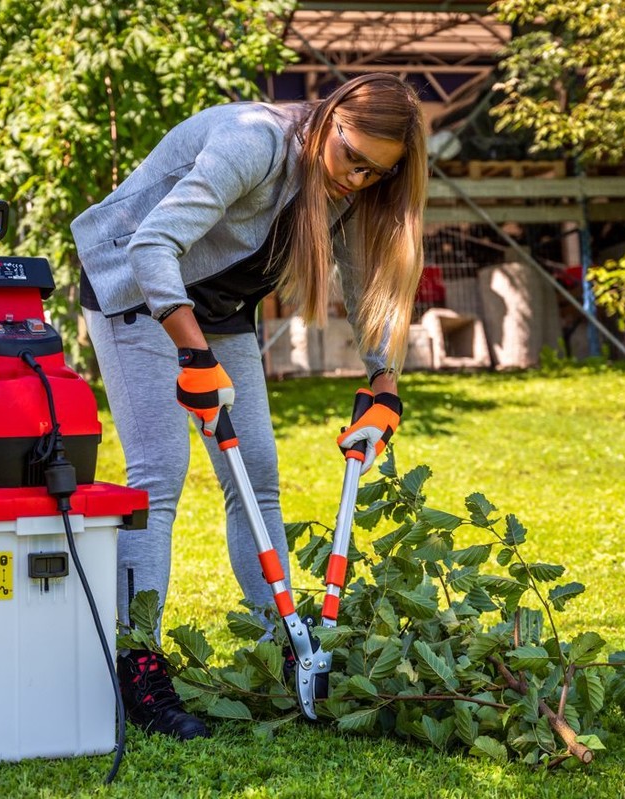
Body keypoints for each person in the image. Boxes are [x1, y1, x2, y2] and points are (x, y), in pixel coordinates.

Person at [70, 73, 427, 740]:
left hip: (219, 305)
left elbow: (360, 276)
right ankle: (134, 662)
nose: (358, 179)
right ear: (331, 119)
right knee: (159, 469)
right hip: (134, 283)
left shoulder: (344, 183)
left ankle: (285, 647)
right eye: (353, 158)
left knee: (257, 472)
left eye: (377, 174)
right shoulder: (255, 143)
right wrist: (193, 357)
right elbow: (153, 244)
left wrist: (385, 379)